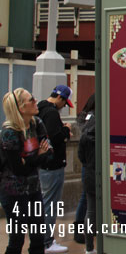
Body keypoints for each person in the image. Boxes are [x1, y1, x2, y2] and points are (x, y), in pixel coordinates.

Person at [1, 88, 52, 254]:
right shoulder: (9, 133)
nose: (36, 101)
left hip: (33, 189)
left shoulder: (36, 123)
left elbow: (49, 152)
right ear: (21, 108)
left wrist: (29, 160)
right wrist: (38, 156)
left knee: (38, 236)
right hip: (13, 192)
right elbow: (18, 169)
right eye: (31, 99)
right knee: (17, 239)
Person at [37, 84, 73, 254]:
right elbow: (56, 137)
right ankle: (47, 242)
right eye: (65, 103)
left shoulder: (40, 108)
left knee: (44, 203)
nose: (64, 107)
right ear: (60, 98)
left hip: (43, 164)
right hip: (52, 165)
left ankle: (42, 239)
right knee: (50, 204)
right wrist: (66, 130)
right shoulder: (51, 113)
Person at [73, 93, 95, 245]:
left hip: (87, 165)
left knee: (86, 198)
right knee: (87, 200)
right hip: (91, 165)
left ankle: (82, 231)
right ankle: (82, 231)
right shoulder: (94, 120)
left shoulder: (84, 118)